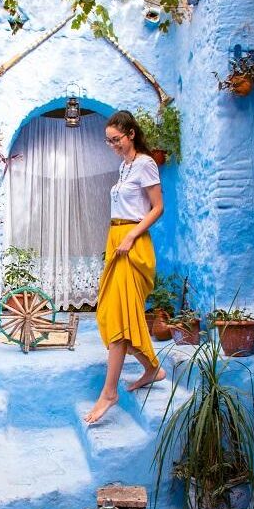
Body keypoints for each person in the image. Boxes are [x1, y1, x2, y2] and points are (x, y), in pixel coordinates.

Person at [83, 110, 165, 424]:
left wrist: (131, 235)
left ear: (130, 133)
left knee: (120, 316)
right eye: (109, 141)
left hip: (133, 241)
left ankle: (108, 393)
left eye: (116, 139)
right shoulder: (124, 166)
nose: (113, 145)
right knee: (111, 310)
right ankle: (153, 369)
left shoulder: (145, 163)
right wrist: (120, 236)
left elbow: (158, 207)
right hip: (116, 239)